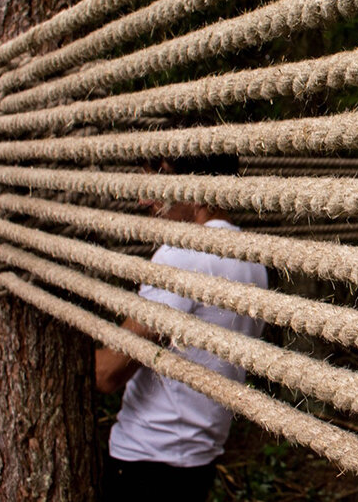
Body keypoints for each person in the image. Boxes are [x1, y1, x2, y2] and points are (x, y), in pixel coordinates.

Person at [96, 154, 267, 502]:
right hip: (199, 461)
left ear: (200, 187)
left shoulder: (182, 254)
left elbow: (108, 373)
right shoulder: (254, 259)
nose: (146, 198)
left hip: (147, 462)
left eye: (160, 179)